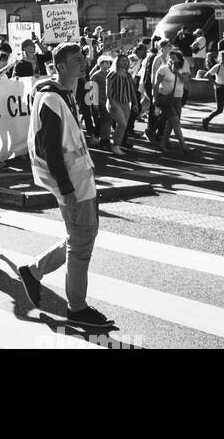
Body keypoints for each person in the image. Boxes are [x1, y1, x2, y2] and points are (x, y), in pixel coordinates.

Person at [16, 43, 113, 328]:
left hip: (81, 179)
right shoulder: (51, 98)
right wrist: (66, 188)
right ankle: (77, 308)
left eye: (83, 59)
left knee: (81, 236)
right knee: (81, 243)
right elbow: (51, 150)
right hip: (73, 183)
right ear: (60, 66)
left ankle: (34, 271)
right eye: (76, 60)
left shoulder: (63, 94)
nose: (83, 63)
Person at [154, 50, 191, 154]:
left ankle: (162, 144)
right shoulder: (163, 69)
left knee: (171, 123)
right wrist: (155, 99)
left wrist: (177, 72)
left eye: (173, 58)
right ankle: (184, 146)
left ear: (179, 59)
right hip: (165, 98)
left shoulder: (183, 69)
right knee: (175, 120)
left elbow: (185, 81)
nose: (171, 60)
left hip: (178, 98)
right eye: (170, 58)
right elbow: (156, 85)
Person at [106, 54, 139, 155]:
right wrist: (111, 103)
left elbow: (132, 90)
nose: (125, 62)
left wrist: (135, 103)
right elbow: (108, 90)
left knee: (123, 125)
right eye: (123, 61)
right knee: (122, 123)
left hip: (126, 103)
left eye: (126, 61)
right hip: (115, 102)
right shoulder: (113, 74)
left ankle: (117, 145)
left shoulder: (128, 75)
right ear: (117, 62)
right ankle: (115, 145)